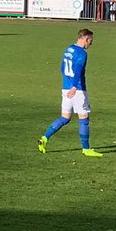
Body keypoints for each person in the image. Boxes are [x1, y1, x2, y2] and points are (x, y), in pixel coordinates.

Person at [37, 28, 102, 157]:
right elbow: (77, 69)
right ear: (86, 39)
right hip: (77, 89)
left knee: (65, 118)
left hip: (65, 88)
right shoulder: (82, 53)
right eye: (91, 41)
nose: (91, 44)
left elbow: (62, 67)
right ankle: (86, 149)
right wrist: (74, 86)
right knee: (84, 119)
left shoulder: (68, 49)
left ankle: (44, 138)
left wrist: (67, 84)